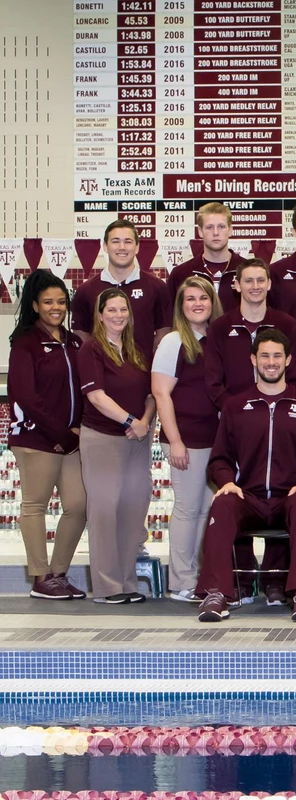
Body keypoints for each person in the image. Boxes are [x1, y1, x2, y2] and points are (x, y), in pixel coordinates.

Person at [195, 328, 296, 623]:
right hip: (249, 496)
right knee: (222, 503)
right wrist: (227, 481)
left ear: (288, 360)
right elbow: (219, 458)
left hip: (289, 495)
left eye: (277, 355)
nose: (271, 362)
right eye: (265, 355)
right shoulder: (236, 406)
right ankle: (217, 592)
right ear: (253, 359)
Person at [8, 271, 87, 600]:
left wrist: (77, 430)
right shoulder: (26, 344)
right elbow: (26, 396)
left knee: (79, 505)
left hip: (72, 441)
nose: (56, 308)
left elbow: (85, 388)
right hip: (36, 440)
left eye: (61, 302)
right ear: (35, 306)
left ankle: (58, 572)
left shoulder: (72, 341)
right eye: (48, 302)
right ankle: (40, 577)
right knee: (35, 506)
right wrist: (59, 433)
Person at [78, 287, 156, 604]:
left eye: (123, 309)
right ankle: (107, 587)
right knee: (104, 512)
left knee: (131, 511)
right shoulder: (92, 350)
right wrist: (129, 421)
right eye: (111, 309)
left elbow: (151, 394)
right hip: (103, 439)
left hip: (137, 438)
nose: (118, 315)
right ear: (99, 315)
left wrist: (145, 422)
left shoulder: (135, 349)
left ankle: (127, 583)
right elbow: (96, 396)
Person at [151, 276, 222, 603]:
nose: (197, 304)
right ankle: (182, 580)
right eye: (190, 299)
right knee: (188, 509)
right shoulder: (174, 341)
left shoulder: (216, 340)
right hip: (187, 440)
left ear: (212, 303)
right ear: (181, 306)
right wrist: (175, 441)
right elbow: (161, 393)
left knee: (209, 512)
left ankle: (204, 577)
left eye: (203, 298)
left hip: (216, 440)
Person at [205, 258, 296, 411]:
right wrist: (236, 410)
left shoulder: (287, 325)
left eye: (260, 280)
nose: (255, 286)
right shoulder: (219, 328)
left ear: (269, 284)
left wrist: (279, 408)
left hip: (278, 414)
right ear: (237, 285)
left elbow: (295, 376)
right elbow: (213, 382)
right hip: (235, 416)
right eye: (249, 281)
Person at [72, 219, 171, 361]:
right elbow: (82, 336)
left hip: (144, 376)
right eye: (115, 241)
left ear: (137, 247)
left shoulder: (157, 287)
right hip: (101, 375)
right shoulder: (85, 290)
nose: (122, 247)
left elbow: (164, 333)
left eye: (128, 241)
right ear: (105, 246)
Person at [168, 202, 244, 311]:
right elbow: (172, 318)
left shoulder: (246, 271)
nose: (216, 232)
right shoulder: (181, 274)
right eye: (209, 227)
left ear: (230, 230)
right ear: (200, 231)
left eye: (221, 227)